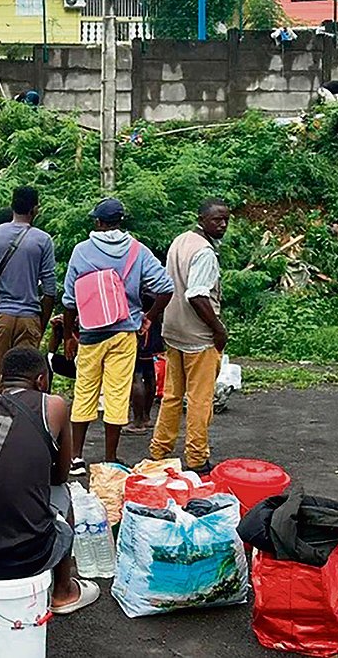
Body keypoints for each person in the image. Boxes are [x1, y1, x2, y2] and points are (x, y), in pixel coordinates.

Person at [0, 348, 100, 614]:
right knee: (64, 492)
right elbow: (60, 475)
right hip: (30, 554)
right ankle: (63, 591)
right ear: (41, 381)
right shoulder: (53, 406)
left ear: (2, 378)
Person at [62, 198, 174, 470]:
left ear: (98, 222)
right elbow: (166, 287)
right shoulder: (137, 251)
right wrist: (148, 317)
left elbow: (69, 299)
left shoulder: (82, 251)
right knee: (117, 393)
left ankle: (76, 458)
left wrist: (68, 335)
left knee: (85, 390)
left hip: (91, 333)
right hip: (124, 333)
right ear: (120, 221)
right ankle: (110, 459)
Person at [147, 199, 230, 475]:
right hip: (198, 336)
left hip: (173, 330)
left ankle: (159, 450)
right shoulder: (204, 252)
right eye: (217, 220)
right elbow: (196, 294)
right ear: (202, 219)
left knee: (172, 395)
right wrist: (218, 328)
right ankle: (196, 458)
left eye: (225, 219)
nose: (222, 225)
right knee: (199, 399)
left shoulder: (181, 241)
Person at [0, 186, 57, 390]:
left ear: (12, 206)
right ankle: (22, 421)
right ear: (35, 209)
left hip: (1, 315)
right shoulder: (43, 240)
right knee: (25, 383)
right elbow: (49, 291)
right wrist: (40, 323)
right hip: (29, 318)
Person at [128, 291, 164, 433]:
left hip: (142, 323)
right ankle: (146, 417)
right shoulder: (157, 274)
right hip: (152, 323)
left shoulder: (139, 273)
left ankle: (138, 422)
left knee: (136, 375)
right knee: (148, 373)